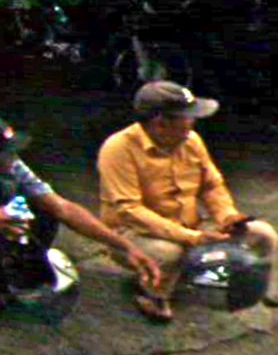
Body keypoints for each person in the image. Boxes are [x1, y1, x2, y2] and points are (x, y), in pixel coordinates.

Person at [97, 80, 278, 322]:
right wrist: (191, 238)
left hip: (190, 224)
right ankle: (154, 295)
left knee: (264, 235)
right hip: (135, 233)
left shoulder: (191, 140)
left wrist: (227, 216)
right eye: (187, 117)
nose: (193, 121)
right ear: (160, 123)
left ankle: (243, 284)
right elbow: (130, 210)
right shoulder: (118, 149)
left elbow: (211, 185)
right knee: (171, 252)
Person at [0, 118, 161, 300]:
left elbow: (63, 208)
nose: (10, 160)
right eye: (3, 155)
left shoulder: (14, 167)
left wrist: (125, 245)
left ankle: (16, 275)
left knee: (43, 212)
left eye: (10, 152)